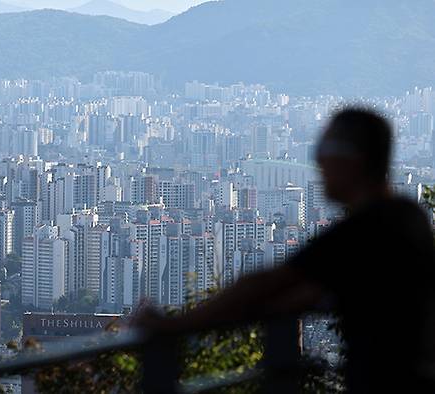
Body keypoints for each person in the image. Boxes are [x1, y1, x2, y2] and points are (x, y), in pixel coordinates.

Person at [135, 108, 435, 393]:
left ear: (352, 160)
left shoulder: (365, 229)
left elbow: (267, 282)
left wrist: (175, 325)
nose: (318, 165)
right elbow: (318, 288)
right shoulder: (410, 216)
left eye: (322, 152)